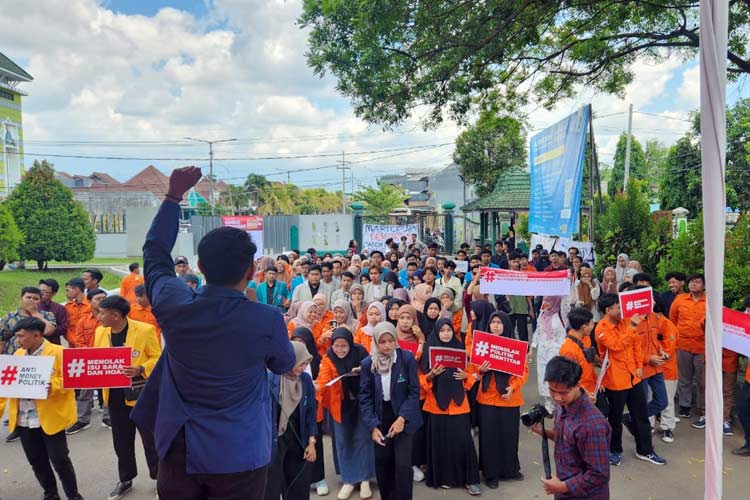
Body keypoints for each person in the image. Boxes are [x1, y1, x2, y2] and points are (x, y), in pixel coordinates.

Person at [131, 166, 296, 500]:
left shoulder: (174, 303)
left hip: (179, 447)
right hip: (241, 453)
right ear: (251, 271)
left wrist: (173, 197)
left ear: (200, 267)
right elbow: (283, 364)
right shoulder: (265, 320)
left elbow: (154, 253)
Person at [6, 317, 84, 500]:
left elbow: (74, 379)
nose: (18, 341)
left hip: (51, 418)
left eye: (21, 336)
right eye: (17, 337)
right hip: (24, 419)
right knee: (37, 461)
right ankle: (50, 494)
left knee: (60, 460)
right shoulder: (18, 355)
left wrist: (53, 385)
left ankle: (73, 495)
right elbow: (9, 382)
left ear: (36, 335)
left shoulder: (58, 352)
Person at [94, 295, 161, 500]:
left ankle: (160, 479)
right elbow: (96, 359)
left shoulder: (144, 330)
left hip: (140, 394)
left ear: (115, 315)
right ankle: (125, 479)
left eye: (102, 313)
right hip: (114, 395)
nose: (98, 317)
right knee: (121, 440)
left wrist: (141, 368)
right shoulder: (100, 332)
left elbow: (157, 357)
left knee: (150, 439)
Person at [595, 294, 666, 466]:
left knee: (640, 415)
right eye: (617, 307)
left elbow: (636, 343)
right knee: (615, 417)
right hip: (615, 380)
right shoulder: (601, 329)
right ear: (608, 310)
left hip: (633, 377)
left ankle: (645, 450)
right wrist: (633, 326)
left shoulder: (625, 322)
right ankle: (615, 451)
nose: (621, 310)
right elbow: (617, 346)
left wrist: (638, 365)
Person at [531, 356, 611, 500]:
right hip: (565, 488)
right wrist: (543, 432)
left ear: (578, 385)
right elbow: (566, 440)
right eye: (552, 390)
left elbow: (599, 474)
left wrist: (561, 487)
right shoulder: (563, 405)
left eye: (563, 393)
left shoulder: (592, 425)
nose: (557, 398)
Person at [359, 322, 423, 500]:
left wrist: (402, 418)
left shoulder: (406, 358)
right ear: (376, 342)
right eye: (382, 342)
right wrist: (373, 426)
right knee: (383, 464)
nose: (387, 345)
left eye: (390, 340)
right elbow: (365, 397)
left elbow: (414, 392)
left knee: (403, 465)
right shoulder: (367, 364)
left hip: (403, 416)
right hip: (380, 417)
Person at [420, 319, 481, 495]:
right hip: (436, 406)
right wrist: (431, 375)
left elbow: (471, 379)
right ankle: (444, 478)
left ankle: (470, 480)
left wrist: (465, 376)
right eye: (442, 330)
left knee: (463, 441)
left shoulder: (460, 350)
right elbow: (419, 380)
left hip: (459, 404)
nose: (446, 333)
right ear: (437, 333)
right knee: (441, 443)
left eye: (449, 330)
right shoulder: (428, 353)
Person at [316, 328, 374, 500]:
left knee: (363, 439)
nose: (340, 350)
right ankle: (348, 480)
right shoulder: (328, 358)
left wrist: (361, 371)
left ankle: (365, 479)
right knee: (343, 440)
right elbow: (323, 381)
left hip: (362, 402)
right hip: (339, 405)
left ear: (351, 343)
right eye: (336, 346)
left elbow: (373, 372)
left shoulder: (361, 352)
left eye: (344, 346)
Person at [474, 312, 527, 488]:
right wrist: (480, 370)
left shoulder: (515, 347)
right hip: (487, 399)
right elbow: (472, 370)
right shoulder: (482, 344)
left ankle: (510, 469)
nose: (496, 326)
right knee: (489, 437)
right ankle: (491, 474)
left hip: (509, 398)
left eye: (499, 322)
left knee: (509, 435)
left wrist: (513, 387)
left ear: (506, 325)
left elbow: (523, 371)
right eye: (493, 322)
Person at [265, 342, 318, 500]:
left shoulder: (306, 380)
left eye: (306, 364)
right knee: (272, 487)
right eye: (300, 364)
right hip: (275, 441)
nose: (303, 368)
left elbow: (310, 413)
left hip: (298, 439)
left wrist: (311, 442)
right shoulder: (271, 380)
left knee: (299, 486)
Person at [66, 288, 108, 435]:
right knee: (85, 392)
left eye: (104, 298)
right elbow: (79, 340)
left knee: (110, 390)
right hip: (88, 360)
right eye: (98, 299)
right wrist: (90, 353)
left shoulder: (111, 319)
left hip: (107, 360)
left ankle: (108, 417)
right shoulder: (83, 321)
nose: (102, 301)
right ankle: (83, 420)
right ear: (89, 301)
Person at [669, 273, 706, 427]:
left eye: (697, 282)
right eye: (691, 282)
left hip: (702, 347)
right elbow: (672, 320)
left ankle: (703, 409)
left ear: (704, 285)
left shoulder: (711, 301)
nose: (693, 284)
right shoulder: (680, 299)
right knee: (684, 378)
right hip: (683, 345)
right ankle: (684, 406)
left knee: (702, 380)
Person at [529, 297, 568, 413]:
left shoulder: (561, 314)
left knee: (556, 377)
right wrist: (532, 348)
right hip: (542, 350)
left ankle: (559, 403)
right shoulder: (542, 314)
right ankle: (548, 405)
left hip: (556, 351)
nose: (545, 303)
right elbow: (538, 331)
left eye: (548, 301)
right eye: (544, 301)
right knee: (543, 377)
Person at [559, 308, 599, 402]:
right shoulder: (567, 350)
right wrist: (584, 393)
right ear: (584, 327)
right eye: (592, 323)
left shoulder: (586, 338)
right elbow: (570, 378)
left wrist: (597, 381)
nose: (593, 326)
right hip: (581, 394)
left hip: (593, 386)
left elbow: (589, 363)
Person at [38, 278, 69, 346]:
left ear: (53, 293)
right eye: (39, 290)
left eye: (44, 291)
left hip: (52, 345)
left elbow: (64, 328)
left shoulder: (59, 309)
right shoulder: (32, 306)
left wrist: (48, 330)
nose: (41, 293)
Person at [63, 278, 90, 348]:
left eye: (68, 290)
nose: (66, 293)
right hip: (73, 345)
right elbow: (66, 328)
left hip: (89, 345)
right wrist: (76, 342)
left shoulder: (91, 306)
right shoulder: (68, 307)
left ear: (76, 289)